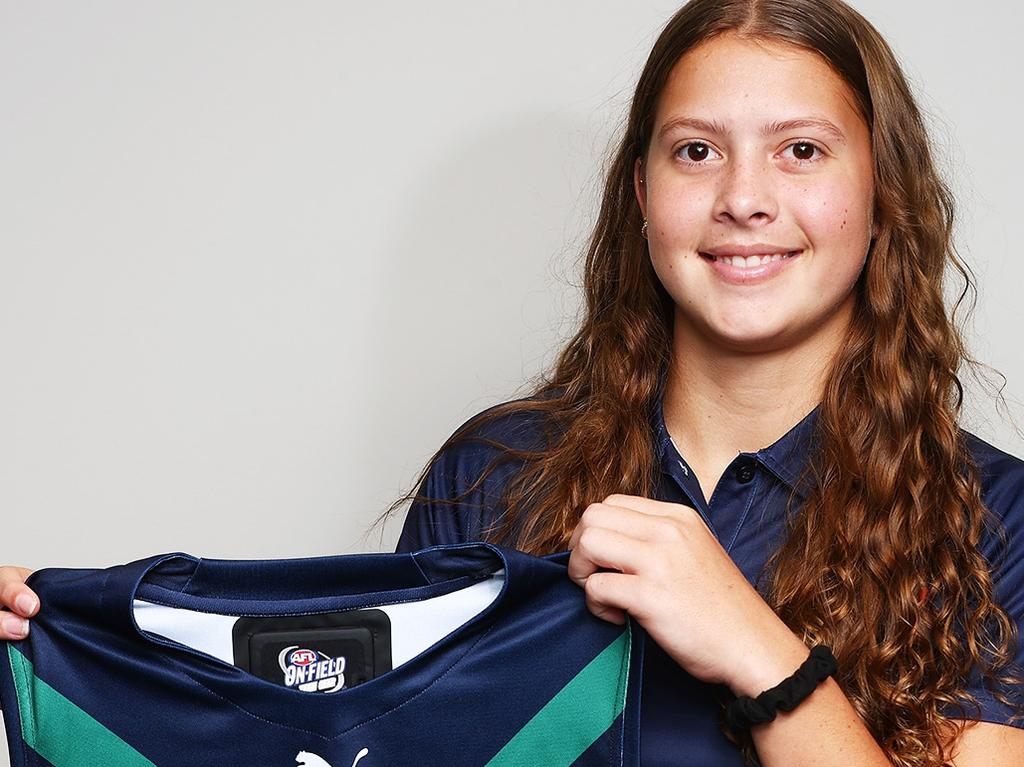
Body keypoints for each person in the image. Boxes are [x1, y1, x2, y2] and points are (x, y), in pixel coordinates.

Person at [2, 1, 1022, 765]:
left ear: (882, 192)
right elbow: (341, 737)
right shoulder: (496, 473)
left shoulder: (996, 521)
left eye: (800, 151)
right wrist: (59, 651)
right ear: (641, 193)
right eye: (695, 151)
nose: (743, 198)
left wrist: (761, 652)